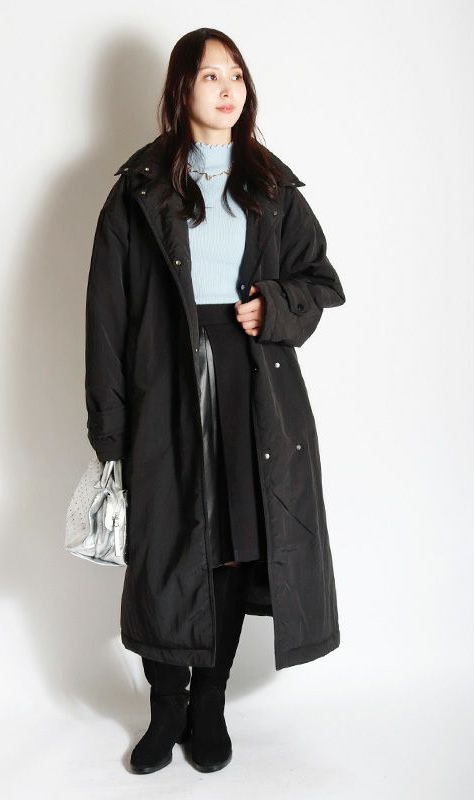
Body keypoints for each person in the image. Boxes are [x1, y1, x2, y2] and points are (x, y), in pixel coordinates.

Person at [84, 28, 346, 774]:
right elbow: (106, 316)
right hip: (162, 385)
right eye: (209, 76)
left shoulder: (271, 187)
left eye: (236, 74)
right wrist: (110, 431)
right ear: (180, 90)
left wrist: (274, 305)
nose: (228, 88)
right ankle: (165, 708)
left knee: (230, 549)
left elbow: (321, 281)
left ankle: (209, 707)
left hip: (250, 387)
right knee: (166, 549)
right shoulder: (139, 190)